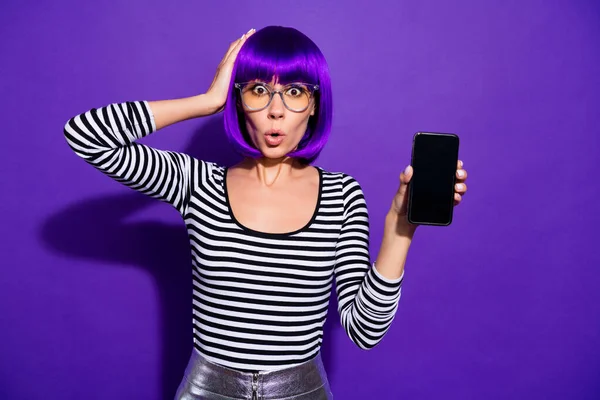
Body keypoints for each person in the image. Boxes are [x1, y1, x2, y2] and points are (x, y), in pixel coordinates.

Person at [64, 25, 468, 400]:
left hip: (302, 391)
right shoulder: (196, 183)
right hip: (207, 391)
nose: (276, 111)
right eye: (259, 90)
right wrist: (206, 101)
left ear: (314, 105)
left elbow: (364, 330)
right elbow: (86, 135)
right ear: (239, 101)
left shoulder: (342, 195)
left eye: (294, 92)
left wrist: (400, 227)